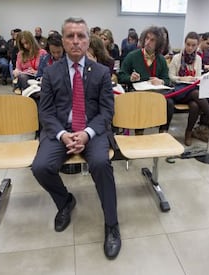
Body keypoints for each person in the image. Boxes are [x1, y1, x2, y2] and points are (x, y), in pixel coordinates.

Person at [31, 17, 121, 260]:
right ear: (63, 40)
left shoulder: (102, 72)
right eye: (70, 36)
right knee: (40, 167)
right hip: (60, 130)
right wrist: (62, 134)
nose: (75, 41)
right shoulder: (51, 72)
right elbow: (46, 111)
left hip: (92, 130)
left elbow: (106, 112)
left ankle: (111, 224)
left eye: (80, 36)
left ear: (87, 39)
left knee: (102, 165)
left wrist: (86, 133)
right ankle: (65, 201)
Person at [168, 32, 209, 146]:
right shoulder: (177, 58)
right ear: (184, 43)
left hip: (192, 91)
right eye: (188, 44)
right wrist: (183, 78)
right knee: (196, 93)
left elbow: (199, 76)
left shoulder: (198, 59)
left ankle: (188, 132)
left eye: (193, 45)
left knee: (195, 105)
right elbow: (171, 76)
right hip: (179, 91)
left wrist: (194, 79)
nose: (190, 48)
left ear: (197, 45)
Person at [118, 25, 173, 133]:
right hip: (137, 93)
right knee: (141, 101)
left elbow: (167, 80)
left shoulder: (161, 59)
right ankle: (139, 132)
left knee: (170, 102)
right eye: (147, 38)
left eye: (152, 40)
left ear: (158, 43)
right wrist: (130, 78)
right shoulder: (132, 56)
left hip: (156, 93)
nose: (148, 42)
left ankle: (163, 132)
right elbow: (120, 76)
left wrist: (161, 81)